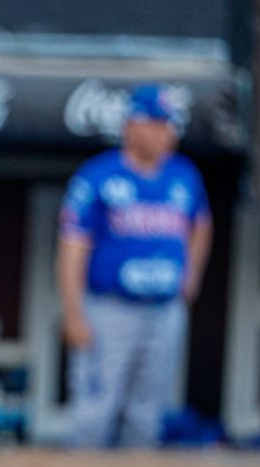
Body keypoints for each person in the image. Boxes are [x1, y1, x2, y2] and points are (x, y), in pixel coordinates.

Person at [57, 83, 213, 448]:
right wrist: (74, 312)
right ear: (132, 125)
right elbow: (73, 246)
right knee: (94, 412)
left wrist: (190, 275)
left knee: (147, 415)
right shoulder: (99, 175)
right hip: (110, 307)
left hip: (163, 308)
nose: (166, 133)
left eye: (169, 125)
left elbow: (201, 224)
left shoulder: (183, 175)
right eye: (157, 123)